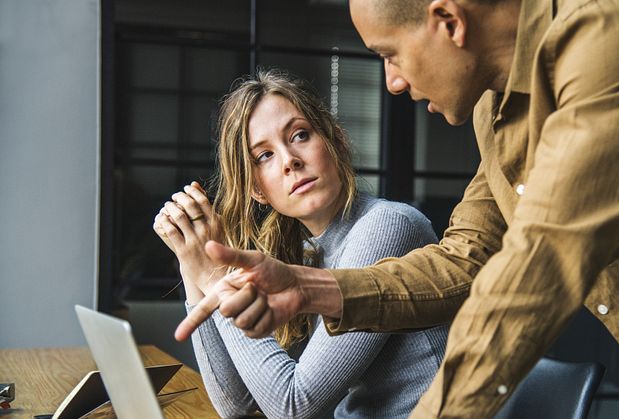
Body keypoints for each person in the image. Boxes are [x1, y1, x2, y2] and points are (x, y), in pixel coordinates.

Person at [177, 0, 619, 417]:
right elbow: (465, 258)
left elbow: (541, 263)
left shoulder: (618, 33)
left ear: (448, 21)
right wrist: (309, 287)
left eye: (390, 55)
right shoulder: (495, 112)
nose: (392, 82)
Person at [155, 69, 449, 418]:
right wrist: (192, 261)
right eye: (264, 155)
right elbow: (234, 405)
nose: (289, 161)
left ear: (337, 141)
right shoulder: (308, 253)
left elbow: (293, 407)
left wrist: (215, 276)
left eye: (299, 135)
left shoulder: (387, 226)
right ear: (256, 190)